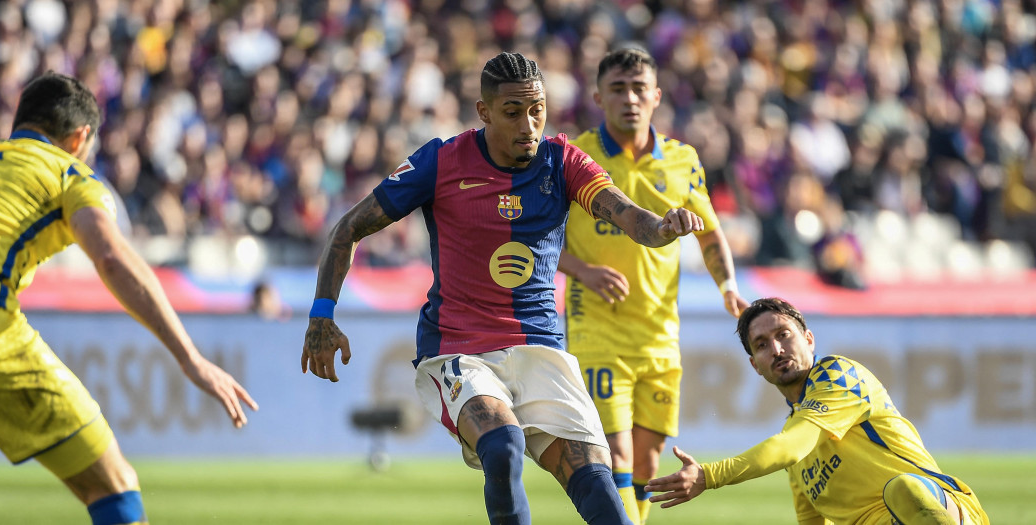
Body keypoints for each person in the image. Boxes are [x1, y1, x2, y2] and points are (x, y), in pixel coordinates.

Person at [300, 51, 704, 525]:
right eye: (513, 113)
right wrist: (321, 314)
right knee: (504, 445)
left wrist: (662, 228)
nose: (529, 125)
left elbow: (630, 218)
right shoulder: (442, 161)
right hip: (459, 347)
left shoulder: (564, 161)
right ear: (484, 112)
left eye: (538, 110)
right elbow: (348, 227)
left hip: (540, 349)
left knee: (599, 489)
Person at [0, 72, 258, 525]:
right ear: (80, 138)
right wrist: (190, 357)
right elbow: (112, 257)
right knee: (113, 486)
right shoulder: (67, 171)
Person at [558, 46, 748, 525]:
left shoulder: (683, 160)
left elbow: (709, 230)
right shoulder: (573, 157)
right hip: (596, 329)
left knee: (646, 462)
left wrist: (728, 285)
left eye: (639, 88)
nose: (630, 98)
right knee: (616, 455)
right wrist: (582, 271)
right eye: (618, 89)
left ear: (657, 95)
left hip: (660, 334)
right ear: (598, 96)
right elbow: (534, 237)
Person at [646, 297, 990, 525]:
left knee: (904, 489)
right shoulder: (793, 448)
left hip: (942, 509)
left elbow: (791, 447)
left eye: (784, 335)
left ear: (809, 339)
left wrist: (711, 475)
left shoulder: (837, 374)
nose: (777, 349)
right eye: (762, 345)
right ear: (754, 365)